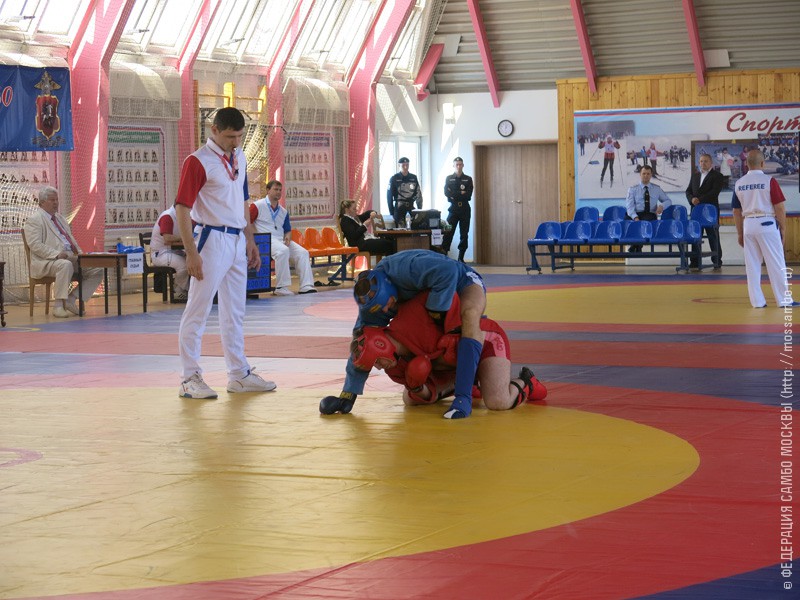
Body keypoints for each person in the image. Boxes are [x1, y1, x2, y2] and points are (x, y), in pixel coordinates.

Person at [175, 106, 276, 399]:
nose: (236, 142)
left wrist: (250, 239)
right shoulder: (198, 161)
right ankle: (189, 378)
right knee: (198, 309)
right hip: (211, 239)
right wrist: (191, 253)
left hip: (236, 241)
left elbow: (243, 200)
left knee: (235, 311)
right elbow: (182, 207)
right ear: (214, 130)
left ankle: (238, 374)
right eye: (231, 136)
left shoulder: (239, 157)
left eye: (240, 136)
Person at [321, 249, 487, 420]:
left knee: (470, 314)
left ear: (390, 287)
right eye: (381, 310)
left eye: (387, 304)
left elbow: (449, 270)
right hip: (430, 300)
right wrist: (349, 393)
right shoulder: (373, 308)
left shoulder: (406, 268)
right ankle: (458, 381)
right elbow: (362, 344)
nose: (386, 310)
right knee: (427, 355)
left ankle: (463, 397)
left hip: (462, 279)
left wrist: (436, 309)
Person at [322, 292, 546, 415]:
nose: (380, 367)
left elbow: (451, 296)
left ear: (381, 345)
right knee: (410, 399)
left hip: (483, 339)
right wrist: (417, 387)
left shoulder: (414, 316)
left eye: (377, 362)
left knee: (498, 402)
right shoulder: (394, 365)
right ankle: (470, 383)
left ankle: (527, 382)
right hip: (451, 364)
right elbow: (420, 392)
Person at [22, 186, 103, 318]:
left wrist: (81, 255)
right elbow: (35, 245)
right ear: (42, 202)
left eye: (57, 200)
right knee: (65, 265)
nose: (56, 203)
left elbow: (70, 240)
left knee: (97, 269)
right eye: (52, 200)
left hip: (70, 256)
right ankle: (58, 306)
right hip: (47, 261)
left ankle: (71, 299)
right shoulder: (35, 220)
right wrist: (56, 254)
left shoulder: (60, 218)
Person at [731, 149, 797, 309]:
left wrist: (739, 233)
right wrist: (783, 228)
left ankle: (757, 302)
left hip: (748, 225)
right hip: (767, 223)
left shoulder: (739, 183)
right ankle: (784, 300)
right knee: (776, 263)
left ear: (747, 164)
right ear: (763, 163)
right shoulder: (769, 181)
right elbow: (780, 207)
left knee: (752, 265)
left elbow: (736, 211)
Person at [250, 180, 317, 296]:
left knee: (303, 252)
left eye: (280, 190)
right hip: (265, 240)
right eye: (275, 189)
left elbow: (287, 230)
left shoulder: (283, 211)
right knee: (283, 251)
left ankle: (306, 285)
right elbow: (247, 221)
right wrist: (253, 236)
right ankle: (281, 287)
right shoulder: (257, 205)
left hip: (280, 240)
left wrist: (288, 237)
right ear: (268, 190)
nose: (278, 192)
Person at [685, 153, 724, 269]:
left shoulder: (718, 176)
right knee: (696, 235)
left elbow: (714, 192)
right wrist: (692, 199)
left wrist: (699, 200)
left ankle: (717, 261)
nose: (703, 163)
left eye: (706, 161)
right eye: (701, 161)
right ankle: (694, 261)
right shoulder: (695, 176)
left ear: (711, 163)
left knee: (713, 235)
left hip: (710, 212)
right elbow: (688, 191)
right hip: (696, 210)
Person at [625, 165, 671, 252]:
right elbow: (629, 206)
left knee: (645, 223)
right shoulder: (632, 189)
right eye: (644, 173)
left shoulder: (657, 189)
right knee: (629, 221)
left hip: (649, 214)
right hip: (634, 213)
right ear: (640, 174)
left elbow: (668, 201)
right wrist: (635, 217)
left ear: (651, 175)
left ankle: (635, 245)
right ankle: (638, 246)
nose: (646, 175)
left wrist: (662, 206)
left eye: (648, 174)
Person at [150, 204, 189, 300]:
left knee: (192, 261)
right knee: (184, 265)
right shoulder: (167, 216)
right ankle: (178, 290)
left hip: (173, 251)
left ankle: (186, 289)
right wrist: (186, 237)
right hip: (160, 254)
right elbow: (167, 238)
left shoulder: (181, 216)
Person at [442, 156, 474, 263]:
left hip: (465, 209)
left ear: (463, 165)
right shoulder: (449, 178)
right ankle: (444, 255)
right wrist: (460, 193)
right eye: (457, 164)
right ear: (453, 165)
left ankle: (461, 258)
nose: (459, 166)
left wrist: (454, 193)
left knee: (464, 234)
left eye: (460, 164)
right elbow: (447, 193)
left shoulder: (468, 179)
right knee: (448, 232)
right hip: (453, 209)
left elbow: (468, 195)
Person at [386, 157, 422, 227]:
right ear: (399, 165)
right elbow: (389, 196)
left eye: (407, 165)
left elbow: (418, 194)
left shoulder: (413, 177)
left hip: (411, 208)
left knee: (414, 230)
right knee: (401, 231)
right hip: (399, 209)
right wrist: (392, 213)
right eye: (403, 165)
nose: (405, 167)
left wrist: (419, 210)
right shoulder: (394, 178)